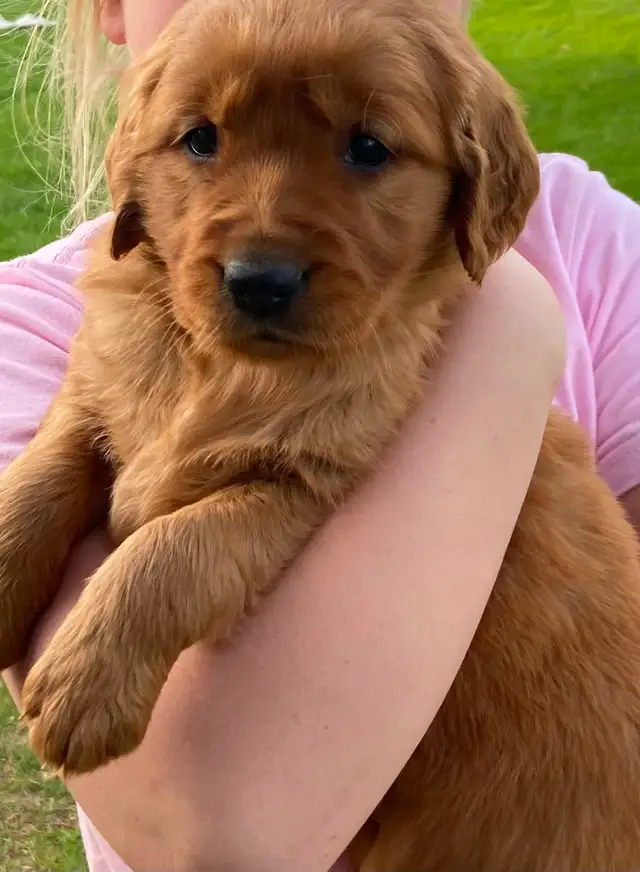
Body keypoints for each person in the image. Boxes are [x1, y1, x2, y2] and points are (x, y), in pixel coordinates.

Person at [1, 0, 638, 869]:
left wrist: (513, 321)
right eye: (201, 142)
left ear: (476, 186)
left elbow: (284, 487)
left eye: (366, 150)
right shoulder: (30, 331)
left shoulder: (595, 257)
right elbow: (215, 828)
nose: (265, 243)